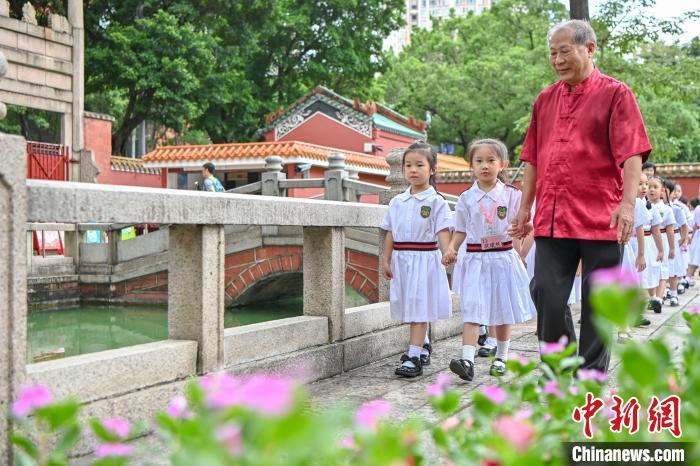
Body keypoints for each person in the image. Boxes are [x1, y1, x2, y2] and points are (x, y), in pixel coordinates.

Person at [510, 20, 652, 373]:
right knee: (545, 289)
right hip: (553, 216)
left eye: (564, 51)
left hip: (602, 215)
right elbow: (532, 157)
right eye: (552, 53)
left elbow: (632, 154)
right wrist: (524, 208)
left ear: (589, 49)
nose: (557, 60)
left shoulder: (616, 93)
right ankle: (560, 366)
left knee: (599, 301)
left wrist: (628, 204)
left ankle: (590, 374)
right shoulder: (545, 99)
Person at [442, 139, 536, 381]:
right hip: (475, 259)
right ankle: (467, 360)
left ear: (502, 164)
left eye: (491, 160)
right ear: (471, 165)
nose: (485, 166)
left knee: (503, 310)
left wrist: (521, 249)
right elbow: (460, 229)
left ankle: (502, 357)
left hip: (503, 257)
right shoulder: (466, 198)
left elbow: (523, 225)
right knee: (473, 309)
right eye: (479, 161)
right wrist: (452, 248)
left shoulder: (512, 195)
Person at [380, 142, 453, 378]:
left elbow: (443, 231)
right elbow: (390, 232)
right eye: (408, 165)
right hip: (402, 260)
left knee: (420, 307)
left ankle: (413, 356)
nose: (413, 170)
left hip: (425, 259)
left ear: (431, 169)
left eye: (419, 165)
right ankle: (423, 345)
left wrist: (447, 252)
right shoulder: (396, 202)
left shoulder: (436, 202)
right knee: (409, 306)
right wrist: (386, 260)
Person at [638, 173, 665, 313]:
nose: (644, 188)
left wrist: (661, 250)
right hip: (631, 243)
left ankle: (652, 297)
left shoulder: (650, 207)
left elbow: (656, 230)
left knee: (648, 272)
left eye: (646, 184)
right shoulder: (630, 205)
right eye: (640, 184)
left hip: (647, 243)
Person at [648, 177, 676, 308]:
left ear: (662, 191)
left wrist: (671, 248)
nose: (651, 190)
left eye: (655, 187)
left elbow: (670, 230)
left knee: (663, 269)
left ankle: (659, 298)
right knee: (649, 268)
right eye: (649, 187)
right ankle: (652, 297)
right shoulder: (643, 206)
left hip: (662, 240)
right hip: (648, 240)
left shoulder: (667, 209)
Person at [666, 179, 688, 306]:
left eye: (666, 191)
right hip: (659, 239)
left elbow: (684, 225)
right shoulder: (653, 206)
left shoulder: (677, 209)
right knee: (662, 268)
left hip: (673, 238)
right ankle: (662, 292)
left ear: (672, 193)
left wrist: (683, 239)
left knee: (672, 268)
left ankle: (674, 294)